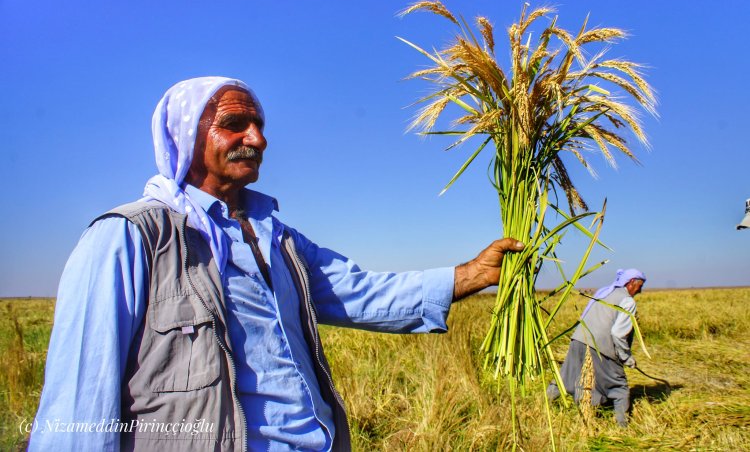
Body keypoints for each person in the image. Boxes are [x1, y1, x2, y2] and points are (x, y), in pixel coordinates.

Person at [30, 76, 524, 451]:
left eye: (260, 126)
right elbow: (80, 400)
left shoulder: (277, 238)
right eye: (233, 125)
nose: (257, 139)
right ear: (185, 136)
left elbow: (359, 291)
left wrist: (472, 275)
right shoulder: (130, 237)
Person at [546, 268, 646, 427]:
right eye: (639, 286)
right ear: (630, 282)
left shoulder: (604, 292)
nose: (640, 291)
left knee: (566, 376)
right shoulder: (627, 301)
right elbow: (618, 334)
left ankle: (543, 406)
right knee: (618, 386)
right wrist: (627, 358)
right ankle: (623, 426)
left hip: (578, 338)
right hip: (599, 345)